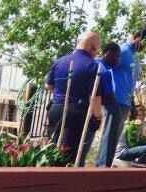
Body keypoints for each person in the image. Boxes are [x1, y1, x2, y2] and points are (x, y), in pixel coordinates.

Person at [45, 32, 105, 164]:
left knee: (52, 151)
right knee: (71, 156)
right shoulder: (92, 66)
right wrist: (98, 116)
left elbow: (48, 85)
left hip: (55, 110)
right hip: (76, 114)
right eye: (97, 50)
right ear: (92, 48)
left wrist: (61, 93)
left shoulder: (59, 61)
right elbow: (94, 97)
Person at [97, 28, 146, 167]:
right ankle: (102, 168)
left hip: (125, 102)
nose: (144, 45)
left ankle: (106, 167)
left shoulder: (134, 55)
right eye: (143, 41)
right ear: (136, 38)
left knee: (114, 138)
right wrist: (106, 90)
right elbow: (102, 63)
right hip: (115, 100)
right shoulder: (124, 51)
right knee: (110, 137)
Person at [77, 42, 120, 166]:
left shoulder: (91, 63)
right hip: (90, 112)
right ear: (106, 53)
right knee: (82, 147)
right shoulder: (104, 71)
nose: (117, 59)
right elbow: (108, 97)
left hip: (75, 107)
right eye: (115, 56)